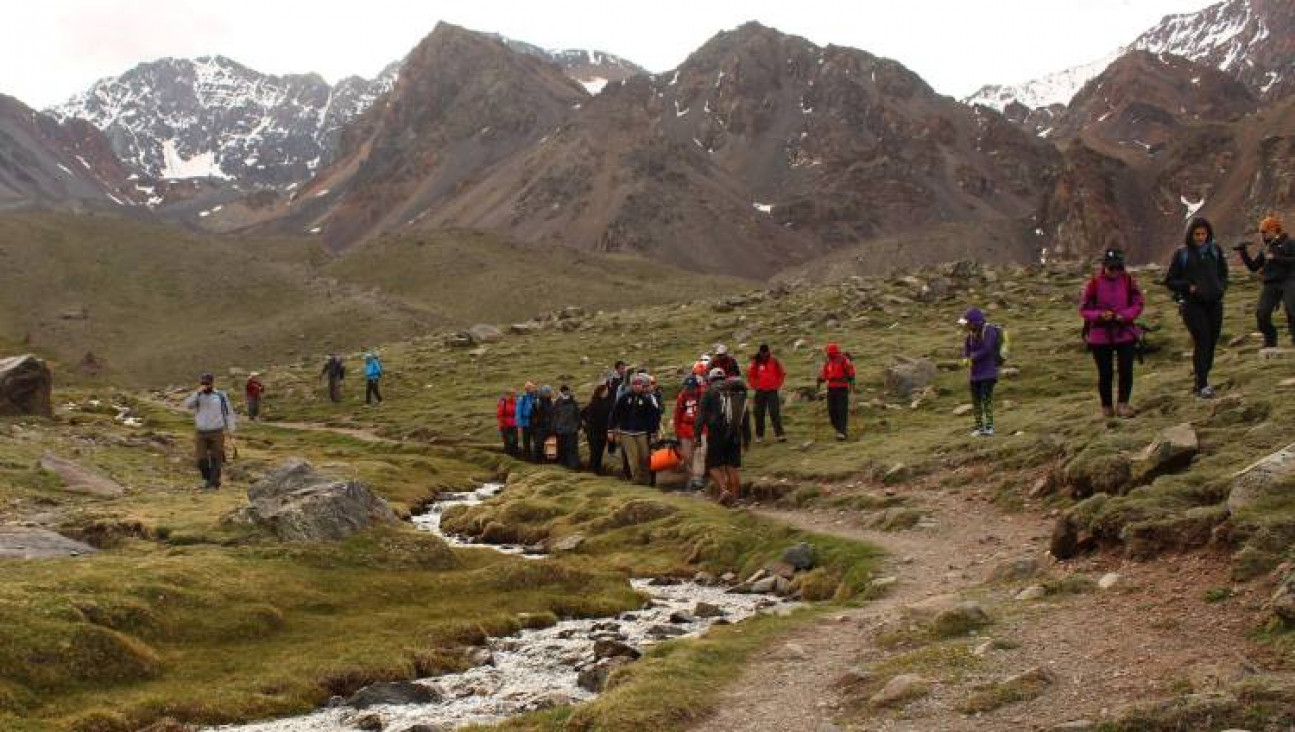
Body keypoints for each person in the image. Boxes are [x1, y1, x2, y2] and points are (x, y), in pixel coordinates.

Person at [1165, 217, 1229, 398]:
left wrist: (1220, 287)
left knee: (1212, 341)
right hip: (1192, 306)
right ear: (1190, 235)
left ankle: (1202, 379)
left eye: (1203, 234)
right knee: (1202, 340)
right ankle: (1202, 384)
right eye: (1196, 234)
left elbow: (1224, 273)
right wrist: (1188, 287)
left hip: (1214, 304)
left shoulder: (1215, 251)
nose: (1200, 238)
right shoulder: (1182, 254)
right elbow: (1170, 280)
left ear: (1208, 234)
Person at [1080, 249, 1145, 418]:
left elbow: (1138, 303)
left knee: (1126, 370)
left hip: (1125, 332)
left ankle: (1123, 404)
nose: (1114, 272)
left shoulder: (1129, 281)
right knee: (1105, 373)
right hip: (1100, 335)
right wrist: (1100, 315)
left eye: (1118, 268)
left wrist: (1125, 315)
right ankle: (1106, 407)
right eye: (1111, 268)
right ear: (1104, 267)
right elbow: (1084, 309)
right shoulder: (1093, 284)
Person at [1235, 215, 1295, 348]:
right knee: (1262, 314)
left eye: (1264, 231)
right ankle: (1270, 340)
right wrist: (1243, 251)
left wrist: (1276, 258)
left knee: (1292, 309)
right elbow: (1253, 266)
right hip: (1270, 284)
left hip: (1289, 280)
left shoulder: (1290, 243)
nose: (1262, 235)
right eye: (1261, 232)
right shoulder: (1266, 248)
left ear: (1274, 230)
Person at [697, 368, 748, 505]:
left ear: (710, 379)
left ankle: (724, 490)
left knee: (713, 465)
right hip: (735, 433)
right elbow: (745, 415)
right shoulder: (736, 392)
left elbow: (701, 416)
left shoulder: (708, 392)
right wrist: (746, 438)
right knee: (732, 467)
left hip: (716, 434)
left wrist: (697, 436)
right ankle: (735, 499)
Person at [183, 373, 237, 490]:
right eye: (203, 383)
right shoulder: (198, 396)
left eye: (207, 383)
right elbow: (187, 405)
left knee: (216, 458)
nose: (205, 385)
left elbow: (228, 413)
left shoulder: (220, 396)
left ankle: (214, 483)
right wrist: (197, 393)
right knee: (201, 459)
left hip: (217, 431)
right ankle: (207, 479)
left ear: (212, 383)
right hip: (201, 432)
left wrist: (231, 430)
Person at [608, 373, 662, 485]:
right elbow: (615, 413)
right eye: (635, 384)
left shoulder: (647, 399)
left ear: (642, 385)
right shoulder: (624, 397)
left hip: (642, 432)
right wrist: (611, 429)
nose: (637, 386)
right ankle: (637, 481)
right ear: (631, 385)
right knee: (633, 457)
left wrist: (653, 432)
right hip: (626, 432)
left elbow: (654, 416)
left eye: (639, 384)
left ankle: (647, 480)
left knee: (645, 457)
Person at [961, 308, 1001, 436]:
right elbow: (966, 349)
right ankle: (979, 427)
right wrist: (966, 358)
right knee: (976, 401)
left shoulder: (988, 331)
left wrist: (973, 357)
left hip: (988, 373)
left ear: (975, 322)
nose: (966, 325)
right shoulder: (970, 336)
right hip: (975, 374)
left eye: (968, 323)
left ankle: (989, 427)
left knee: (986, 400)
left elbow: (988, 348)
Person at [748, 344, 787, 442]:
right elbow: (751, 376)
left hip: (772, 391)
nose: (765, 355)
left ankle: (780, 435)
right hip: (760, 391)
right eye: (763, 353)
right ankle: (759, 435)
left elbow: (781, 373)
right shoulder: (756, 362)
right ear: (760, 352)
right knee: (759, 414)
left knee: (775, 412)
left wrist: (777, 384)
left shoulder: (774, 361)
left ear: (768, 352)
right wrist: (756, 386)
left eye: (766, 353)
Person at [816, 343, 856, 440]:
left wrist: (851, 380)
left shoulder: (843, 360)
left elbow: (851, 371)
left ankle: (842, 432)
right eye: (828, 353)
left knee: (841, 410)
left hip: (842, 388)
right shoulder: (828, 362)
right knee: (832, 411)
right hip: (831, 388)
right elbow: (825, 374)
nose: (829, 354)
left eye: (830, 353)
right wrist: (820, 379)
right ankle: (839, 430)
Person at [673, 375, 705, 489]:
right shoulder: (682, 396)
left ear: (697, 387)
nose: (689, 390)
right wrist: (677, 432)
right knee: (687, 456)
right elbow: (677, 415)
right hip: (685, 429)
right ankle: (691, 477)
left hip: (701, 429)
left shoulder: (703, 395)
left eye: (691, 388)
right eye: (687, 387)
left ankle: (698, 478)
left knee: (700, 453)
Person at [582, 384, 615, 475]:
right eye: (606, 391)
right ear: (601, 392)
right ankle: (593, 470)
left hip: (602, 433)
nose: (607, 392)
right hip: (594, 433)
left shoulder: (605, 403)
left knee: (599, 453)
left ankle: (597, 469)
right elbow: (583, 414)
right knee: (594, 452)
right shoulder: (593, 404)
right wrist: (586, 425)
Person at [552, 385, 582, 470]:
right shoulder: (558, 402)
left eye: (567, 391)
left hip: (570, 431)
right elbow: (555, 416)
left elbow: (577, 415)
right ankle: (566, 467)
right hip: (562, 431)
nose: (566, 393)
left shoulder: (573, 402)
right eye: (564, 391)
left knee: (571, 449)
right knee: (564, 449)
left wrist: (577, 426)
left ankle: (573, 467)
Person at [532, 386, 556, 462]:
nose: (551, 393)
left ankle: (548, 460)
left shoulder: (551, 402)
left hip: (549, 427)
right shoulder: (537, 402)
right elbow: (533, 415)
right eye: (549, 392)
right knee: (539, 445)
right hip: (540, 427)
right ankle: (537, 460)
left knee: (550, 445)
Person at [516, 382, 538, 462]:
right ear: (528, 389)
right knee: (526, 442)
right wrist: (519, 425)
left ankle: (535, 458)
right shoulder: (522, 398)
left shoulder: (535, 398)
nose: (534, 389)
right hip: (526, 423)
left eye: (534, 388)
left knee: (536, 440)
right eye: (532, 388)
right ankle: (527, 458)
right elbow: (518, 413)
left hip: (534, 423)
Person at [497, 388, 519, 456]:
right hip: (505, 425)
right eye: (513, 395)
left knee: (515, 440)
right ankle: (508, 455)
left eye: (515, 395)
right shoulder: (503, 403)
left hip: (514, 424)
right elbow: (499, 415)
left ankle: (515, 454)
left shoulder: (515, 403)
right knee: (507, 441)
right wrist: (503, 424)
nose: (514, 396)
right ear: (509, 395)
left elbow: (517, 413)